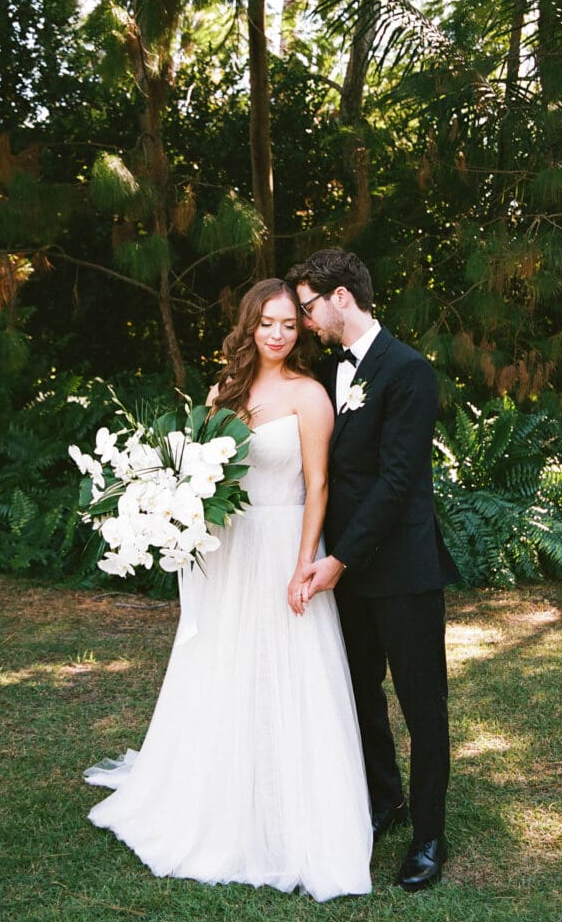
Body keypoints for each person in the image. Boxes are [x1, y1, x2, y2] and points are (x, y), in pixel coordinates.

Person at [83, 278, 373, 902]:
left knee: (287, 672)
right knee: (223, 665)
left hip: (283, 543)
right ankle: (216, 796)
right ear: (250, 326)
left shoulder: (310, 395)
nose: (277, 333)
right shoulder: (223, 393)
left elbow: (318, 485)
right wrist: (171, 512)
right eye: (266, 322)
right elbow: (202, 473)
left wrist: (305, 563)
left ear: (300, 331)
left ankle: (286, 812)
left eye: (289, 324)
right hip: (228, 550)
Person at [286, 249, 460, 892]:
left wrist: (338, 558)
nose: (304, 321)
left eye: (307, 307)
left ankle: (430, 835)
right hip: (346, 572)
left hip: (403, 570)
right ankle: (382, 799)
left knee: (423, 705)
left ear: (339, 297)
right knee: (358, 691)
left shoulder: (410, 371)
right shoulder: (330, 370)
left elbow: (395, 481)